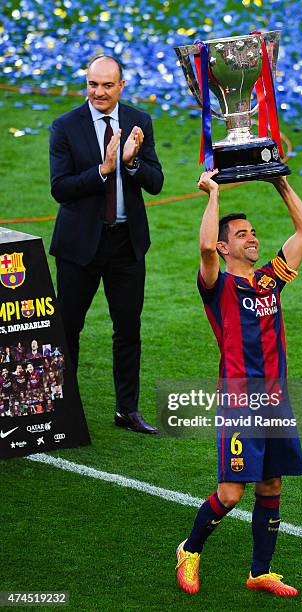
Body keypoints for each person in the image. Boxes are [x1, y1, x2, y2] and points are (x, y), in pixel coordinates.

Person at [176, 170, 302, 597]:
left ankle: (260, 571)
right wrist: (214, 193)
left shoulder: (269, 280)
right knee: (232, 492)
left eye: (253, 232)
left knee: (271, 484)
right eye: (241, 234)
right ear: (224, 246)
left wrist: (279, 182)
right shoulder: (217, 285)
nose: (252, 238)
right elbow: (203, 245)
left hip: (276, 402)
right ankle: (189, 549)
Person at [49, 55, 164, 434]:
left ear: (121, 86)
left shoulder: (138, 122)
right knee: (68, 329)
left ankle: (126, 410)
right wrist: (104, 169)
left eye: (107, 85)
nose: (98, 92)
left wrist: (131, 164)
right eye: (92, 84)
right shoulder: (65, 126)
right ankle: (61, 411)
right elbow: (60, 188)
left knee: (128, 329)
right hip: (79, 247)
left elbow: (156, 181)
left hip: (125, 245)